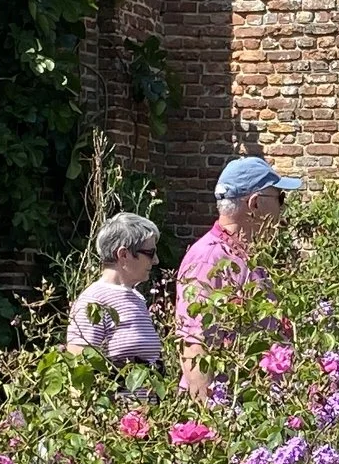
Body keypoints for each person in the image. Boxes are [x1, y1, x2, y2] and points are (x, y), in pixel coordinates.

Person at [176, 153, 302, 359]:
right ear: (254, 204)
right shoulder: (209, 259)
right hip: (228, 390)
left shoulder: (245, 255)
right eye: (280, 198)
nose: (283, 209)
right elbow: (195, 345)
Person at [66, 211, 163, 372]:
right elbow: (80, 369)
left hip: (144, 397)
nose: (156, 260)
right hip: (116, 397)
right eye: (150, 253)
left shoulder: (136, 298)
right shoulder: (93, 301)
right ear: (123, 254)